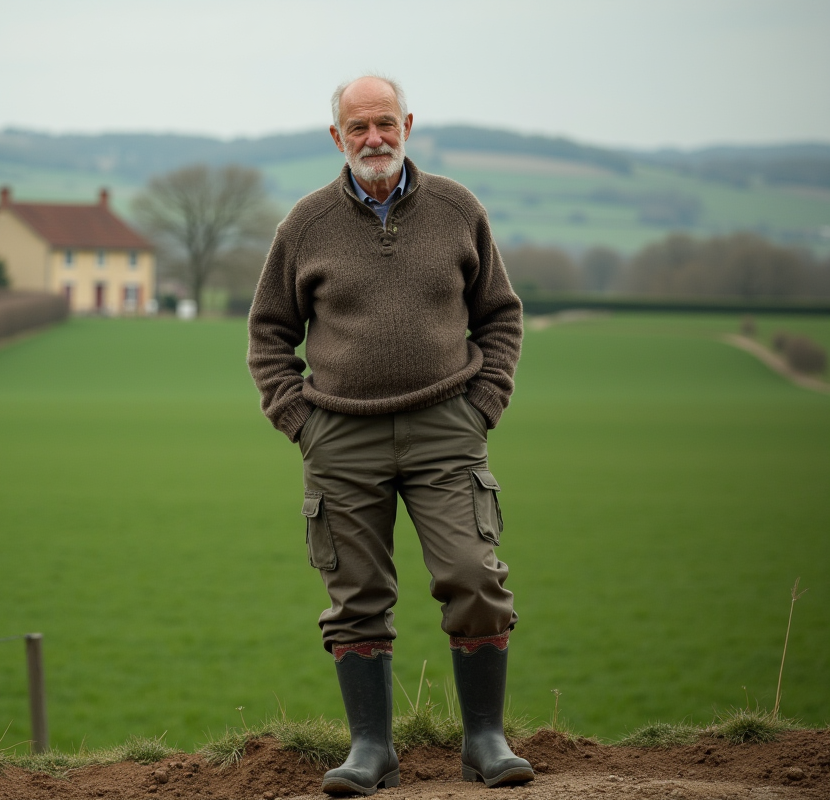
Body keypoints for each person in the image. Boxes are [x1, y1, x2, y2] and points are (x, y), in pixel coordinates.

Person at [247, 75, 533, 794]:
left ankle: (485, 741)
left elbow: (500, 314)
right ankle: (371, 750)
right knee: (357, 597)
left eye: (384, 123)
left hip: (447, 430)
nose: (373, 138)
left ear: (407, 125)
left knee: (474, 577)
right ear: (336, 137)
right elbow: (269, 333)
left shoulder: (458, 210)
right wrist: (301, 422)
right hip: (340, 435)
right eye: (358, 127)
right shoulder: (305, 226)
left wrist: (483, 404)